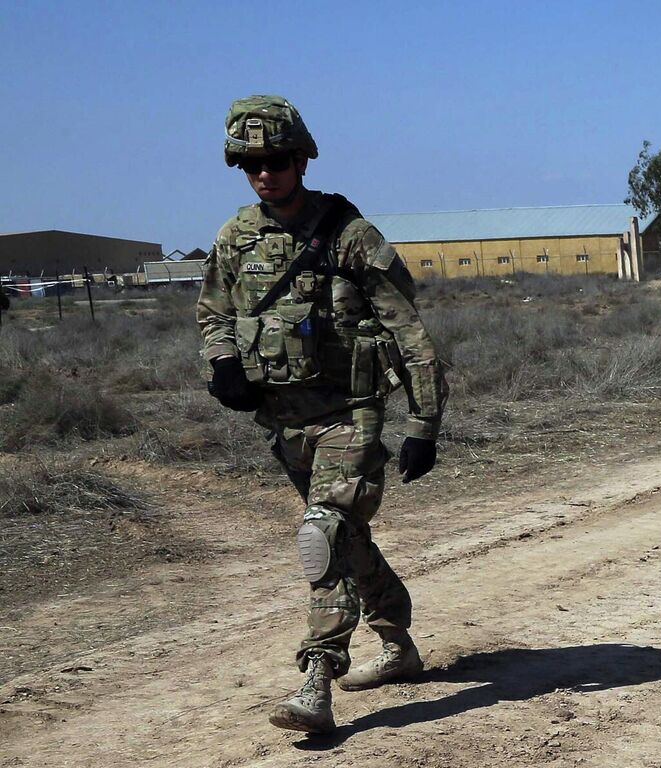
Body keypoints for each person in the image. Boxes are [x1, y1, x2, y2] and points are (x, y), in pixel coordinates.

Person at [196, 95, 449, 733]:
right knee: (346, 538)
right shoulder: (235, 238)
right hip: (286, 422)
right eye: (250, 163)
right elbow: (213, 316)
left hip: (350, 415)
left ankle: (318, 678)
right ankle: (399, 645)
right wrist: (223, 361)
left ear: (300, 159)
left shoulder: (350, 235)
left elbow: (409, 333)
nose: (264, 173)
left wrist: (423, 425)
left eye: (276, 160)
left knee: (322, 534)